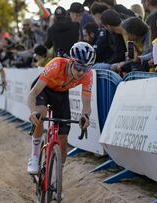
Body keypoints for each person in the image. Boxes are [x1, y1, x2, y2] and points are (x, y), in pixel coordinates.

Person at [27, 42, 95, 175]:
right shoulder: (56, 65)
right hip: (43, 89)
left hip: (61, 94)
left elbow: (86, 104)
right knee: (41, 113)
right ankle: (34, 156)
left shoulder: (88, 75)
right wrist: (32, 111)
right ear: (70, 61)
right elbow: (33, 93)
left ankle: (56, 177)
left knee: (63, 138)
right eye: (78, 67)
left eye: (85, 69)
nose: (81, 72)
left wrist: (85, 116)